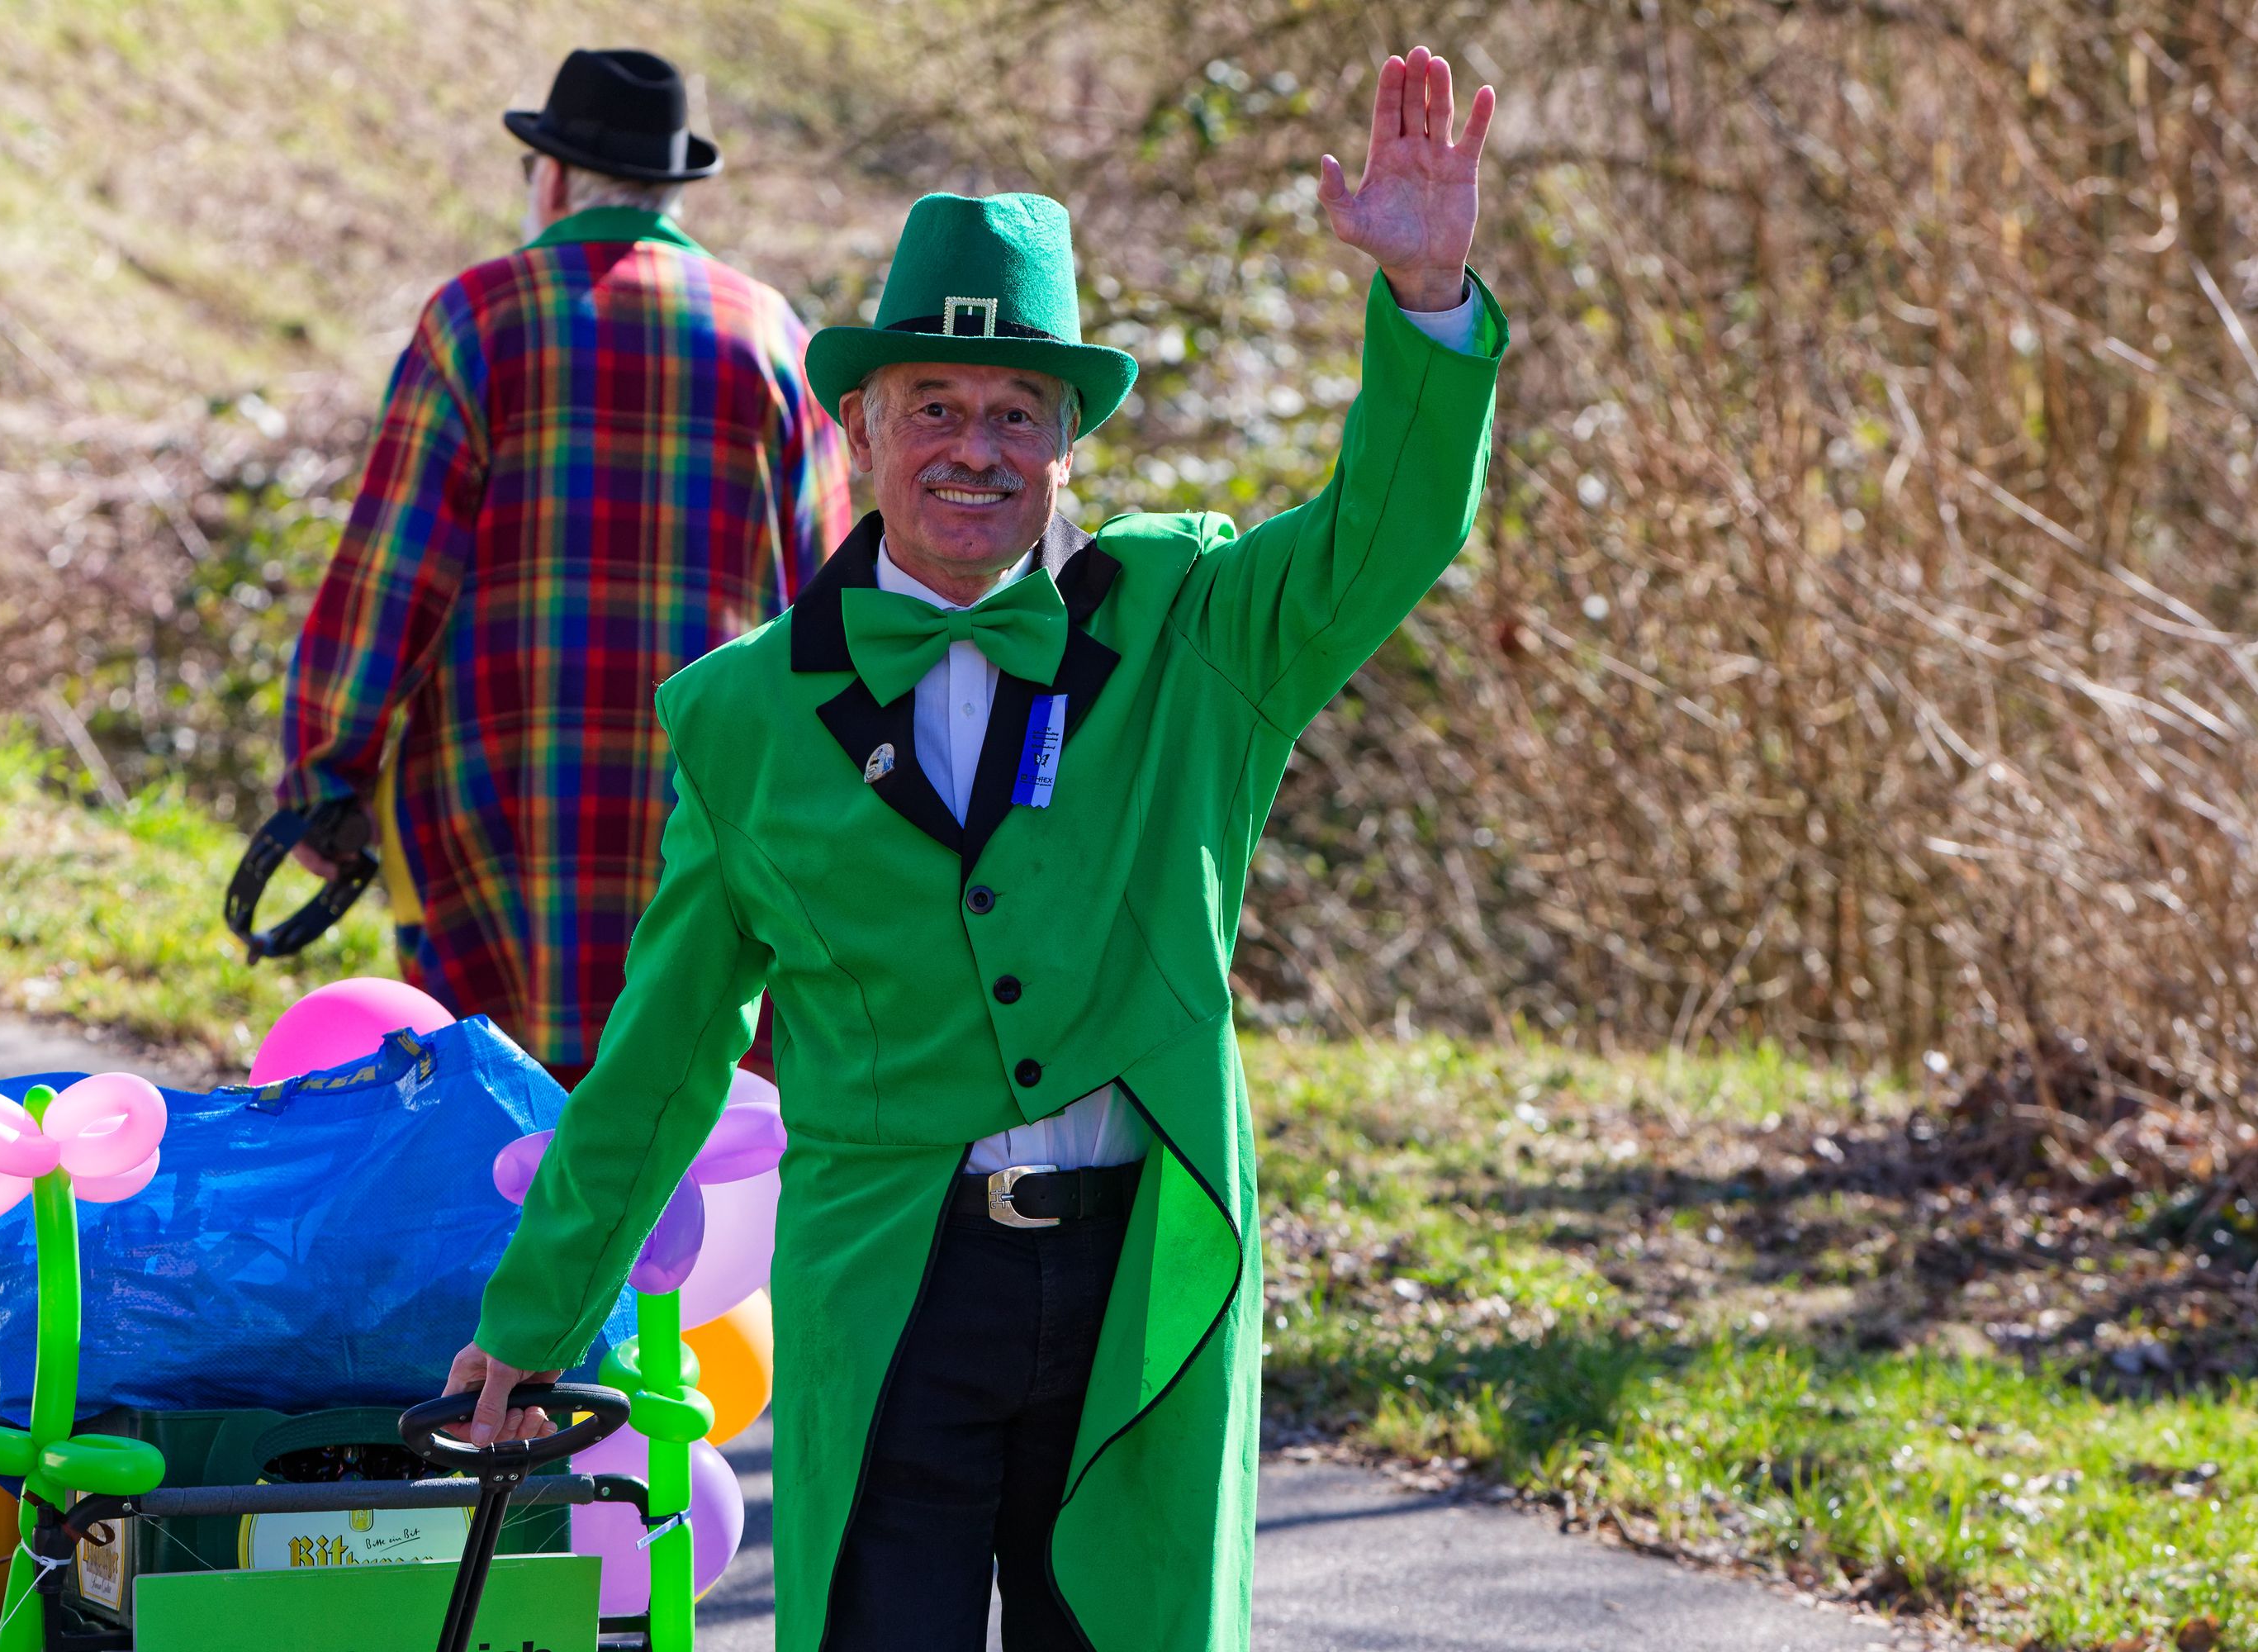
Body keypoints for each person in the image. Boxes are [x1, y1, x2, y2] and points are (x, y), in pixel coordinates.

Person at [452, 47, 1506, 1651]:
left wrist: (1425, 297)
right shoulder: (740, 716)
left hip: (1136, 1273)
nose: (974, 447)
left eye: (1017, 412)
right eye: (933, 407)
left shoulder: (1190, 625)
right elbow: (664, 1058)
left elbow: (1389, 531)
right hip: (891, 1289)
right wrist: (532, 1323)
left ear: (1068, 443)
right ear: (860, 430)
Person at [276, 49, 851, 1085]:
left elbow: (390, 580)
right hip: (713, 810)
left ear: (549, 179)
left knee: (510, 1116)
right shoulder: (773, 337)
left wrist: (326, 773)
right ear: (672, 190)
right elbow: (831, 608)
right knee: (696, 1116)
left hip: (502, 816)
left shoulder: (479, 319)